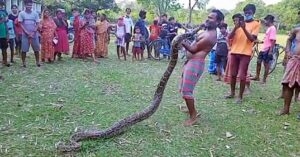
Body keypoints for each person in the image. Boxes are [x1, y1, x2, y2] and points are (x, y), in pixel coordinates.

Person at [180, 9, 224, 126]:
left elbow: (193, 49)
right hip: (191, 62)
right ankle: (189, 108)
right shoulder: (206, 31)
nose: (207, 19)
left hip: (195, 63)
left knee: (186, 91)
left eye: (211, 18)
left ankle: (193, 116)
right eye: (208, 17)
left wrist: (181, 41)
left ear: (218, 22)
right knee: (184, 87)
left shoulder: (210, 36)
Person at [225, 4, 260, 104]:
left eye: (249, 13)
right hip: (234, 52)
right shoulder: (238, 23)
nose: (247, 14)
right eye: (246, 13)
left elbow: (252, 39)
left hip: (245, 53)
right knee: (233, 74)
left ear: (253, 13)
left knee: (242, 76)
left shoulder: (255, 24)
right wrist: (236, 28)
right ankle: (232, 93)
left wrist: (244, 28)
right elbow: (229, 37)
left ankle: (240, 96)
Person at [279, 22, 300, 115]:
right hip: (294, 60)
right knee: (288, 85)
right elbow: (289, 40)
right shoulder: (297, 30)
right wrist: (287, 52)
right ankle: (286, 109)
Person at [251, 15, 277, 84]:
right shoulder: (269, 28)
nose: (265, 22)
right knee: (258, 62)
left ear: (269, 20)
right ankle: (257, 76)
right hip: (263, 49)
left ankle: (264, 80)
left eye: (265, 20)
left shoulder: (273, 28)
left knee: (266, 64)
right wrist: (261, 41)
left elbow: (273, 40)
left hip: (268, 49)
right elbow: (267, 39)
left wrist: (270, 51)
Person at [18, 0, 41, 67]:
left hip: (34, 34)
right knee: (24, 49)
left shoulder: (35, 13)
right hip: (25, 34)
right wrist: (26, 32)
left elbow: (37, 23)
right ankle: (24, 63)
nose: (29, 6)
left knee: (36, 48)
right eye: (28, 5)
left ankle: (37, 62)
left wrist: (33, 32)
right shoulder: (21, 13)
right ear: (25, 5)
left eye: (30, 5)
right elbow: (20, 23)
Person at [0, 0, 9, 67]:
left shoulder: (4, 12)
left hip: (3, 34)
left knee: (4, 49)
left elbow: (6, 24)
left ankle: (5, 61)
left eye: (2, 5)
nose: (1, 6)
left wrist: (7, 34)